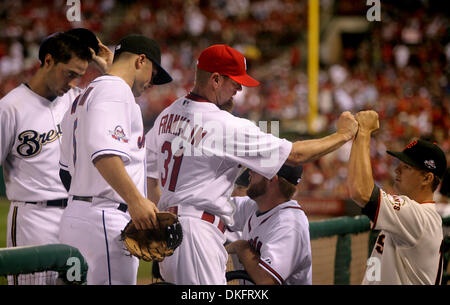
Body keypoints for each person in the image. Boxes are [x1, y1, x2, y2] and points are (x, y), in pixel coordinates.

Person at [145, 44, 358, 284]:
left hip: (169, 231)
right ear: (215, 79)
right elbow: (295, 155)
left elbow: (151, 180)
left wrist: (163, 222)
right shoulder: (224, 124)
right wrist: (343, 136)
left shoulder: (165, 115)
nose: (238, 88)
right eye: (234, 82)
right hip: (197, 235)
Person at [58, 34, 172, 285]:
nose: (153, 82)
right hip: (104, 221)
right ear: (141, 60)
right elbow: (104, 153)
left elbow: (65, 172)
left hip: (79, 215)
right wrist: (135, 201)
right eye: (154, 72)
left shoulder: (85, 96)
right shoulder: (115, 91)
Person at [0, 29, 111, 285]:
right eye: (69, 74)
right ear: (48, 61)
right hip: (33, 219)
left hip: (75, 216)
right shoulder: (10, 108)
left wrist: (109, 70)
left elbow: (120, 106)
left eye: (79, 76)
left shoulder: (76, 100)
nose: (73, 83)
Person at [347, 110, 447, 285]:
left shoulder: (419, 217)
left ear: (427, 178)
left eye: (407, 167)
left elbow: (360, 192)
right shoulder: (408, 216)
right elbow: (375, 268)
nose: (397, 170)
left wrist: (363, 132)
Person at [226, 165, 312, 285]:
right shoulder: (254, 206)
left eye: (256, 170)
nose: (250, 172)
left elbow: (267, 281)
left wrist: (241, 247)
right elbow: (215, 208)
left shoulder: (289, 224)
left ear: (271, 178)